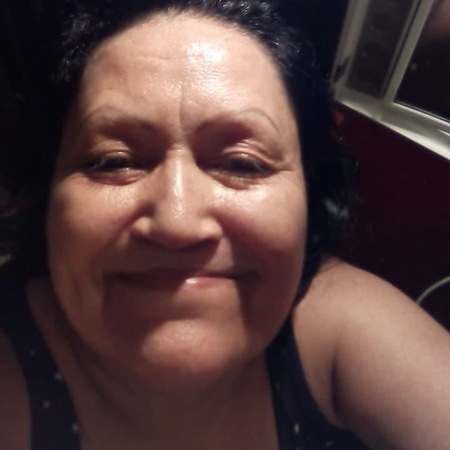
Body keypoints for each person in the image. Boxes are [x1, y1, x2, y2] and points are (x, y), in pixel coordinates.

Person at [0, 1, 449, 449]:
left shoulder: (339, 323)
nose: (177, 223)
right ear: (47, 195)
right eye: (113, 162)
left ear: (309, 194)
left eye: (242, 164)